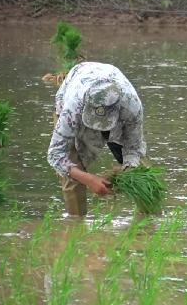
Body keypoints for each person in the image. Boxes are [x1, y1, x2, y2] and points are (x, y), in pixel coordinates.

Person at [47, 62, 148, 216]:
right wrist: (88, 179)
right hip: (77, 87)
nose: (99, 129)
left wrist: (127, 172)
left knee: (141, 173)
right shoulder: (72, 108)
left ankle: (148, 220)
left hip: (119, 117)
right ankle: (76, 225)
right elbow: (55, 155)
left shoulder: (132, 107)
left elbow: (133, 148)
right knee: (73, 172)